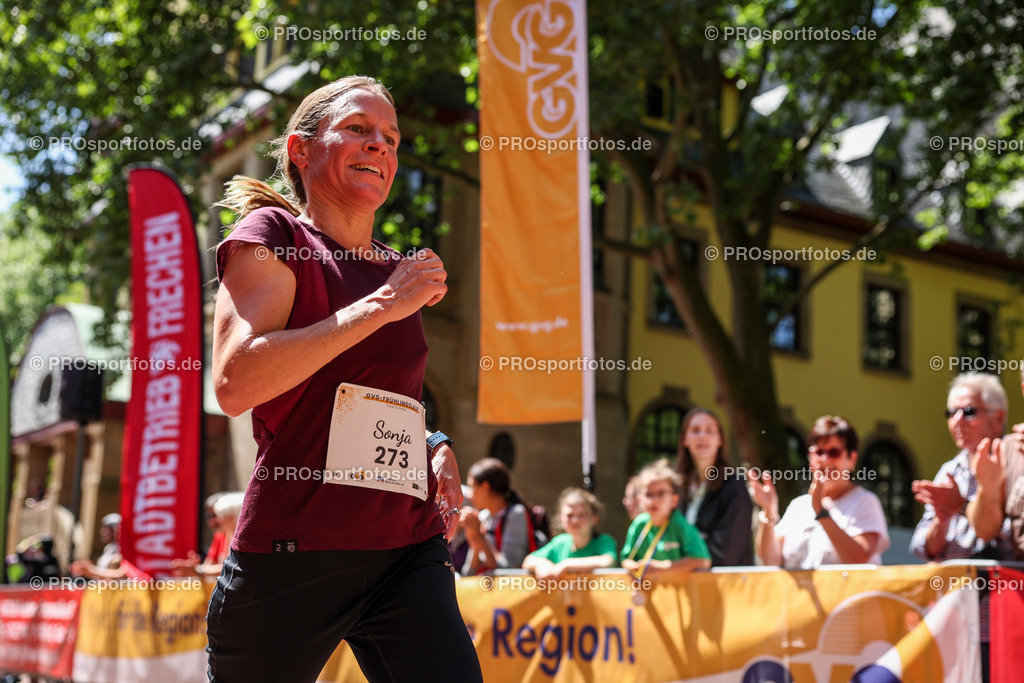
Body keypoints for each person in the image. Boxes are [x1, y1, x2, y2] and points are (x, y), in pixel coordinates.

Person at [207, 75, 481, 683]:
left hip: (405, 550)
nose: (380, 146)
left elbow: (376, 397)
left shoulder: (392, 268)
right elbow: (235, 382)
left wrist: (432, 446)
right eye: (358, 129)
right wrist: (383, 304)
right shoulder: (275, 238)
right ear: (302, 150)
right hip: (294, 552)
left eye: (391, 137)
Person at [749, 416, 890, 568]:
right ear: (810, 457)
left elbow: (859, 558)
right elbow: (771, 560)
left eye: (834, 452)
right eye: (818, 452)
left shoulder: (865, 502)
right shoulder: (799, 505)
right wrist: (769, 512)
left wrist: (820, 511)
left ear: (852, 459)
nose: (825, 459)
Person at [910, 372, 1012, 561]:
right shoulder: (951, 470)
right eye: (951, 413)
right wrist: (942, 519)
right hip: (953, 588)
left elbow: (1012, 541)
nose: (957, 420)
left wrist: (960, 505)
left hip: (1004, 587)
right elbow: (922, 548)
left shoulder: (1016, 463)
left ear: (998, 418)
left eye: (968, 411)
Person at [676, 408, 754, 566]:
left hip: (726, 585)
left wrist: (682, 558)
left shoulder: (734, 486)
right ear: (685, 439)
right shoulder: (675, 486)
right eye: (695, 430)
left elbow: (726, 553)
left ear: (720, 440)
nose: (702, 436)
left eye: (710, 430)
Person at [621, 459, 711, 580]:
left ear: (674, 500)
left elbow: (703, 561)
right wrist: (631, 566)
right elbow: (625, 559)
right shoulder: (639, 524)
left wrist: (663, 567)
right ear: (639, 499)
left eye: (661, 493)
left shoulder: (679, 524)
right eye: (648, 494)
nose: (654, 500)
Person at [459, 457, 541, 573]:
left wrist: (479, 537)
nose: (469, 495)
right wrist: (474, 538)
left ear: (485, 487)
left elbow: (507, 569)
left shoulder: (516, 513)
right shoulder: (483, 517)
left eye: (472, 487)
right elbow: (468, 573)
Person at [523, 488, 617, 579]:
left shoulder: (603, 541)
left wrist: (567, 564)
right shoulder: (559, 542)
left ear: (594, 519)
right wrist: (541, 564)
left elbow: (608, 562)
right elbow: (528, 560)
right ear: (561, 519)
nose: (575, 520)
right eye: (569, 515)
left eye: (582, 515)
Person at [174, 493, 243, 577]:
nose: (216, 520)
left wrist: (199, 570)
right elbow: (209, 566)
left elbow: (233, 567)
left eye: (219, 514)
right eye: (209, 516)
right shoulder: (220, 536)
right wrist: (196, 569)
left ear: (235, 515)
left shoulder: (243, 539)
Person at [69, 514, 123, 580]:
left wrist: (91, 570)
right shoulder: (108, 548)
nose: (102, 531)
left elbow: (120, 575)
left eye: (106, 528)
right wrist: (89, 568)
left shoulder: (122, 550)